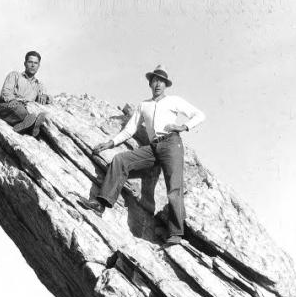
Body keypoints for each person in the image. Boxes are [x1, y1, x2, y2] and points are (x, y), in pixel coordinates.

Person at [80, 65, 205, 245]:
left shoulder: (174, 101)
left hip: (171, 144)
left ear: (166, 85)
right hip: (153, 148)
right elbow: (130, 129)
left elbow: (199, 115)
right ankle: (101, 204)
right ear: (150, 83)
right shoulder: (144, 105)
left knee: (174, 189)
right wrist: (110, 143)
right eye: (154, 81)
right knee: (120, 160)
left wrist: (183, 127)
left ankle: (176, 233)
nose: (158, 84)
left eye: (161, 81)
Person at [0, 50, 51, 137]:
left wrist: (46, 97)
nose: (32, 65)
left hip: (24, 110)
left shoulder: (39, 85)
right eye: (30, 62)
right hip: (8, 107)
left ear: (39, 66)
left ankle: (23, 126)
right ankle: (30, 126)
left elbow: (50, 99)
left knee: (38, 115)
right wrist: (14, 100)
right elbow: (6, 92)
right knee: (20, 109)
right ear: (25, 63)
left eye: (35, 63)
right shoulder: (15, 75)